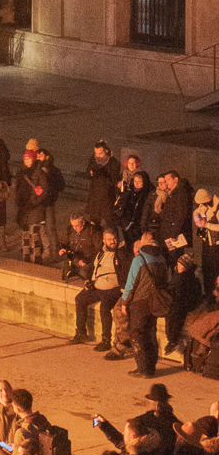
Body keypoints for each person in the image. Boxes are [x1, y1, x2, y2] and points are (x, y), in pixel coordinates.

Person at [112, 232, 171, 374]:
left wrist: (124, 303)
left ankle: (142, 368)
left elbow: (130, 285)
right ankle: (151, 367)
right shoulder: (162, 259)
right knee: (151, 333)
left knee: (138, 334)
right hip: (154, 302)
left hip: (140, 303)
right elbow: (166, 280)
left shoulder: (139, 260)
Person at [85, 141, 121, 228]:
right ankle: (96, 240)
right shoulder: (93, 160)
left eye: (100, 153)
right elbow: (87, 173)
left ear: (106, 151)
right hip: (94, 196)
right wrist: (90, 173)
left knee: (110, 223)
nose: (98, 156)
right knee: (94, 222)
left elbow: (113, 181)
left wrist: (101, 174)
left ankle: (112, 239)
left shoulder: (114, 163)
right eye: (96, 153)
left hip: (107, 197)